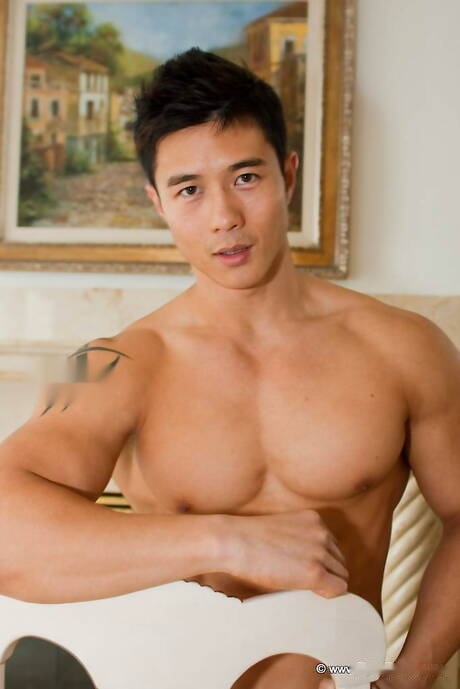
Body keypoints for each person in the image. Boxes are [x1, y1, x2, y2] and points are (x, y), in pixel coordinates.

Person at [0, 48, 459, 689]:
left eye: (245, 177)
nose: (224, 218)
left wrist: (413, 673)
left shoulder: (409, 347)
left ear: (288, 175)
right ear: (157, 202)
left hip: (339, 674)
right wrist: (225, 541)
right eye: (189, 189)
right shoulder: (110, 364)